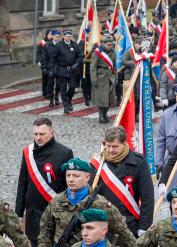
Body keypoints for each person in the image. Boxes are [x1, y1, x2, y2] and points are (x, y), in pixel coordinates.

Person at [37, 158, 136, 247]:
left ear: (88, 177)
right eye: (68, 175)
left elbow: (123, 232)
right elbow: (45, 230)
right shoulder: (56, 201)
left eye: (76, 176)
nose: (71, 179)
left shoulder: (100, 204)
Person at [16, 117, 73, 247]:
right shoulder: (27, 152)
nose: (38, 137)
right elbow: (22, 183)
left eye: (42, 134)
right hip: (33, 213)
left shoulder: (65, 153)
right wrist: (18, 213)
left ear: (52, 133)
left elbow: (68, 185)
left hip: (54, 212)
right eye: (35, 134)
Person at [90, 126, 154, 237]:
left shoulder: (139, 162)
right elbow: (90, 194)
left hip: (129, 225)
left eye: (115, 146)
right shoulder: (98, 164)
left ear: (124, 144)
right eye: (108, 146)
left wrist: (144, 227)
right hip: (103, 224)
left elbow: (147, 198)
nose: (110, 150)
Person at [90, 34, 116, 123]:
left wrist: (115, 77)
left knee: (110, 98)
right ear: (103, 43)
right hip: (100, 77)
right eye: (108, 44)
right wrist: (94, 79)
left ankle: (105, 114)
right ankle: (101, 116)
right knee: (101, 99)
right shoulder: (97, 52)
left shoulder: (112, 51)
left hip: (110, 77)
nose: (110, 46)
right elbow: (93, 67)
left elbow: (114, 66)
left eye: (111, 44)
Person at [56, 29, 83, 114]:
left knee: (72, 87)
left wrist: (77, 64)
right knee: (63, 89)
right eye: (66, 36)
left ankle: (69, 100)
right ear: (63, 36)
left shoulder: (75, 45)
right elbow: (54, 58)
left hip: (72, 70)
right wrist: (55, 69)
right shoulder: (59, 45)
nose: (68, 37)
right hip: (62, 70)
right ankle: (65, 106)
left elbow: (80, 56)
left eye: (69, 36)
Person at [42, 30, 61, 107]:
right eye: (55, 36)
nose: (57, 38)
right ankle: (51, 99)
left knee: (59, 84)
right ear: (52, 36)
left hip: (59, 67)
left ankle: (56, 96)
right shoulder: (47, 45)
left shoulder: (61, 44)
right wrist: (44, 68)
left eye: (58, 36)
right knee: (50, 84)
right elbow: (44, 57)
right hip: (50, 67)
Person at [37, 29, 52, 98]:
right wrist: (39, 61)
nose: (50, 36)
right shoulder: (42, 43)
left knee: (50, 79)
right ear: (46, 35)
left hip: (51, 63)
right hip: (44, 63)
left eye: (51, 34)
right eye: (49, 34)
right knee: (45, 78)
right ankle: (44, 93)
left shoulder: (53, 42)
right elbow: (39, 53)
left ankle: (49, 93)